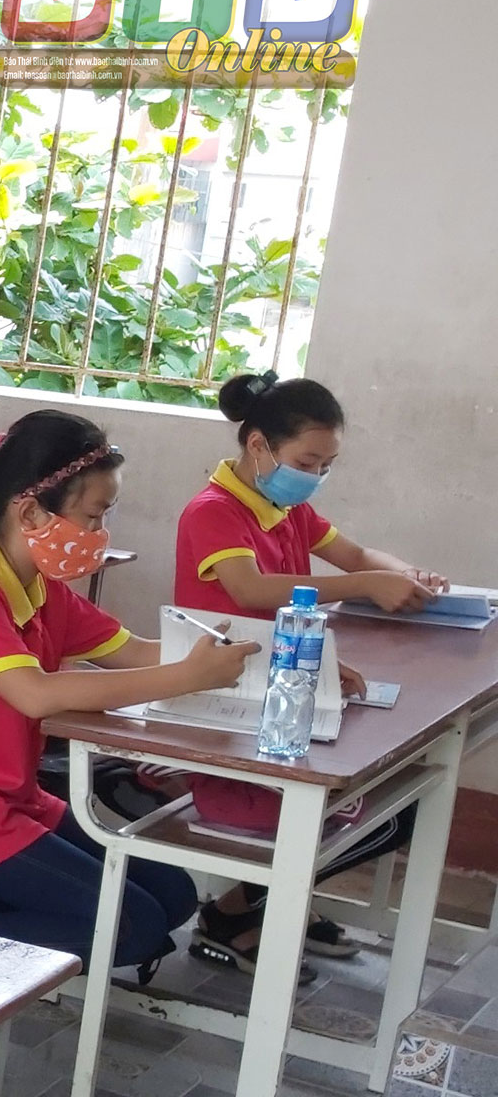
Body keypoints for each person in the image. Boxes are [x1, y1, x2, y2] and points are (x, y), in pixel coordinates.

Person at [0, 409, 255, 969]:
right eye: (92, 516)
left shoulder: (39, 587)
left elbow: (133, 650)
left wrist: (264, 654)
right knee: (132, 926)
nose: (99, 534)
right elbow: (36, 694)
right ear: (29, 512)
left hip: (7, 798)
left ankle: (1, 923)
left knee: (173, 896)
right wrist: (188, 677)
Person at [178, 371, 448, 974]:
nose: (316, 476)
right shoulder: (213, 511)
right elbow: (250, 589)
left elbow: (354, 555)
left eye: (327, 465)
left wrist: (406, 575)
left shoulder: (287, 508)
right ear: (259, 445)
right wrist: (366, 585)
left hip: (281, 686)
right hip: (229, 703)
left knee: (398, 803)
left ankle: (258, 906)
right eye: (307, 462)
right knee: (367, 815)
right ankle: (247, 908)